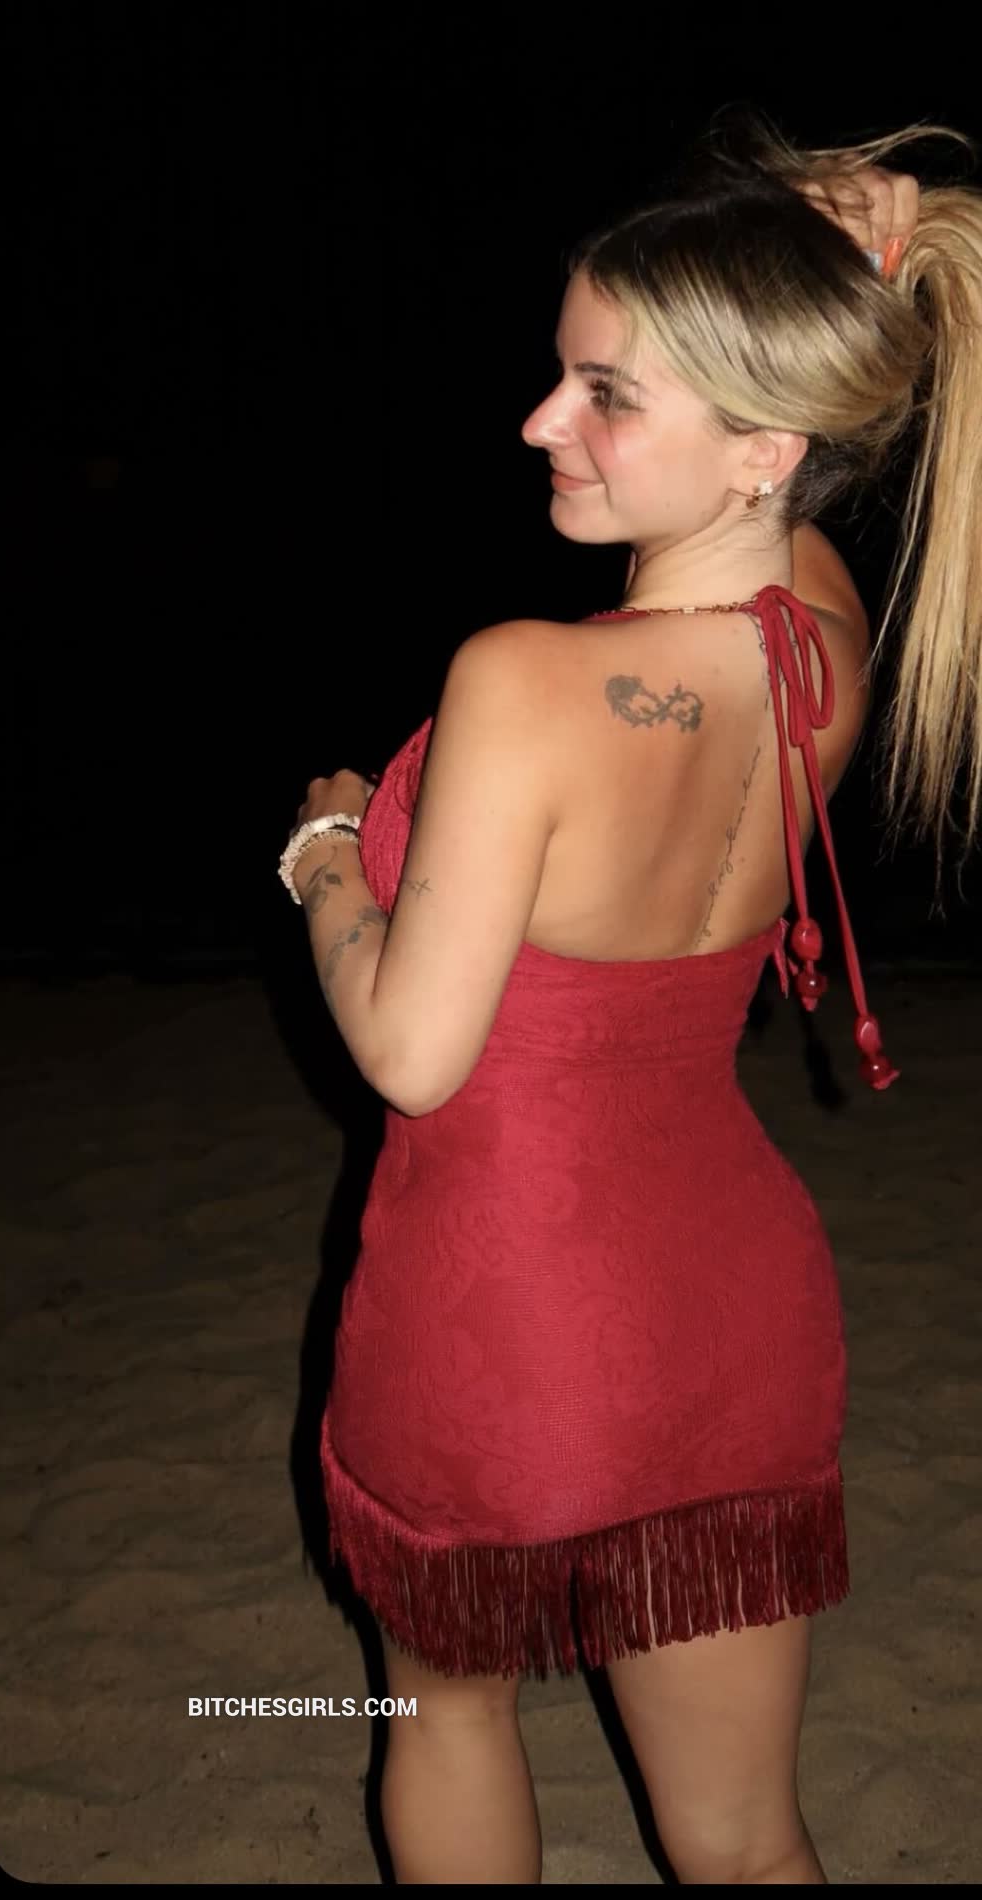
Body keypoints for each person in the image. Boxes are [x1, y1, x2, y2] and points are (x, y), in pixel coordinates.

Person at [279, 120, 982, 1885]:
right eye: (562, 374)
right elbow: (786, 516)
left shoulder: (524, 680)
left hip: (504, 1317)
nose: (542, 422)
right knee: (747, 1840)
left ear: (767, 445)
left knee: (446, 1718)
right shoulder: (823, 640)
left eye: (605, 393)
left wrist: (329, 855)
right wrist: (814, 260)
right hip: (729, 1311)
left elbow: (409, 1050)